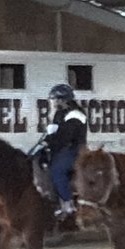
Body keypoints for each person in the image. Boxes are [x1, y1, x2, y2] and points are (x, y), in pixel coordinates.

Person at [39, 81, 87, 214]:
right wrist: (45, 145)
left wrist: (50, 144)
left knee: (57, 170)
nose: (52, 103)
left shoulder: (76, 114)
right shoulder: (59, 114)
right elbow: (53, 133)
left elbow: (65, 137)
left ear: (62, 100)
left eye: (54, 99)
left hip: (74, 149)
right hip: (62, 148)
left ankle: (67, 202)